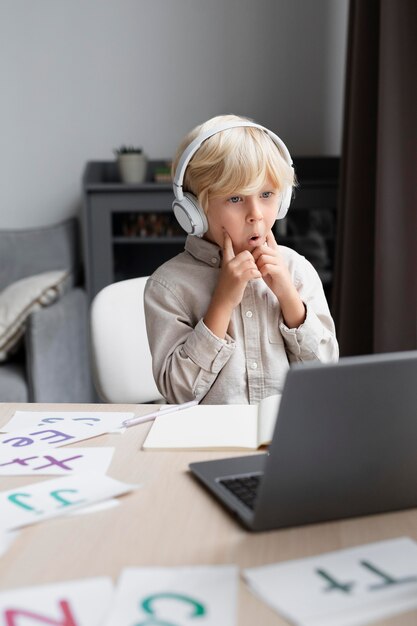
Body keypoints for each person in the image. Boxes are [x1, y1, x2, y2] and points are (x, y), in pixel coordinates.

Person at [144, 114, 338, 404]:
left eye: (267, 194)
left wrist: (288, 297)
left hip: (288, 440)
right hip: (210, 446)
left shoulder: (297, 271)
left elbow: (325, 374)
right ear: (192, 211)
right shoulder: (167, 287)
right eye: (235, 198)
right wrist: (221, 302)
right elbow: (178, 392)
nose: (256, 214)